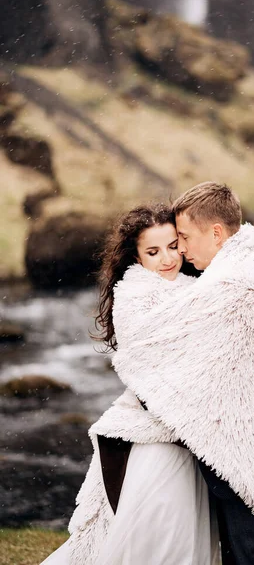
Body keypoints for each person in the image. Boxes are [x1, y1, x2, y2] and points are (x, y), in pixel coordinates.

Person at [112, 182, 254, 565]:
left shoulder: (237, 283)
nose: (180, 250)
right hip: (250, 445)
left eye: (183, 238)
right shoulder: (250, 268)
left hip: (249, 452)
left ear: (216, 233)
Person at [41, 204, 219, 565]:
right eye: (153, 252)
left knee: (189, 536)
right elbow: (153, 369)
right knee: (159, 535)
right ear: (135, 256)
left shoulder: (201, 288)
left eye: (173, 246)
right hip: (155, 434)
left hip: (195, 434)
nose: (167, 258)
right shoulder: (134, 297)